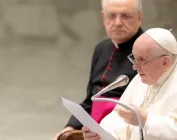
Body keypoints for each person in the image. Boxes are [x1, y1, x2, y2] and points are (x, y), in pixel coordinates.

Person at [82, 28, 177, 140]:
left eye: (141, 60)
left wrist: (146, 120)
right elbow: (118, 117)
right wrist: (101, 133)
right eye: (133, 58)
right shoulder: (142, 77)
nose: (134, 67)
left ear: (165, 62)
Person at [53, 0, 144, 139]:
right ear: (103, 17)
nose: (118, 22)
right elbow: (91, 100)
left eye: (125, 16)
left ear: (139, 17)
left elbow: (152, 107)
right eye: (111, 15)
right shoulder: (102, 48)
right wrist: (69, 127)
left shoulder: (150, 50)